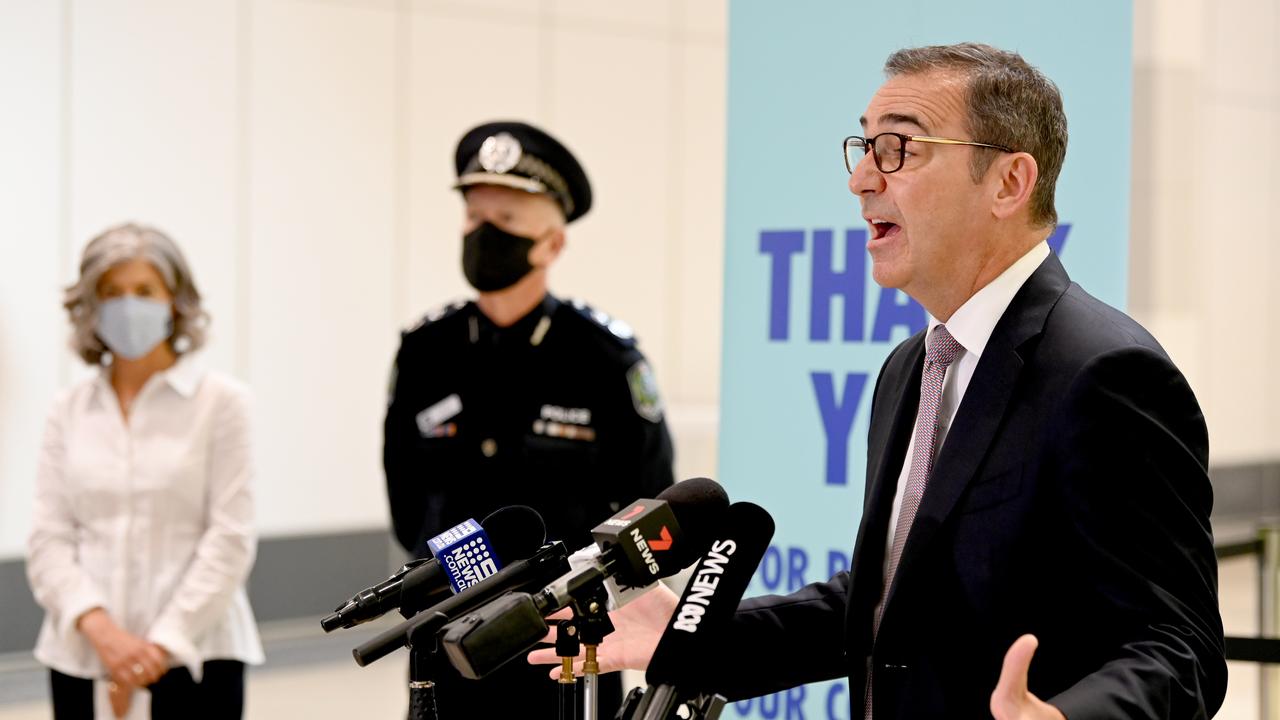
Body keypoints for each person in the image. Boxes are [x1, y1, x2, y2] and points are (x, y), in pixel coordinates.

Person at [531, 43, 1227, 718]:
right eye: (863, 148)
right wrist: (688, 637)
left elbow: (1179, 647)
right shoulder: (911, 366)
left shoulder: (1105, 374)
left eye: (899, 149)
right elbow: (885, 607)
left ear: (1009, 183)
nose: (862, 179)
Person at [384, 121, 676, 716]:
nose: (483, 233)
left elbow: (646, 500)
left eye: (506, 221)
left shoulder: (604, 358)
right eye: (474, 217)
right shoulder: (426, 350)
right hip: (449, 636)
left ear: (551, 243)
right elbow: (405, 495)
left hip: (569, 642)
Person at [26, 223, 264, 719]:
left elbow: (230, 537)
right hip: (83, 653)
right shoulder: (68, 409)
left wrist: (158, 646)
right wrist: (102, 632)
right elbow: (49, 538)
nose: (128, 305)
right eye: (112, 293)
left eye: (144, 291)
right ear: (90, 305)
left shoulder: (220, 403)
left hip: (197, 655)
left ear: (174, 300)